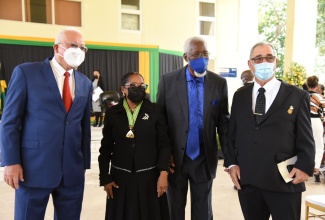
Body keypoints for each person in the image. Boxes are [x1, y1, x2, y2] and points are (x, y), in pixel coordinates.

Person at [0, 28, 92, 220]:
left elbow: (83, 127)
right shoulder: (27, 73)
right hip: (33, 169)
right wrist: (10, 162)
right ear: (56, 47)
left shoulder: (84, 83)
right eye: (73, 45)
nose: (78, 51)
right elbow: (10, 122)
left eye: (83, 48)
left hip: (72, 172)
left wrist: (83, 165)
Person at [225, 42, 315, 220]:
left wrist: (304, 166)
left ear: (276, 61)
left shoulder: (297, 96)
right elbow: (232, 134)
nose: (264, 62)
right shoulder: (240, 96)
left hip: (284, 180)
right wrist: (232, 163)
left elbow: (306, 137)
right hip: (249, 181)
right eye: (258, 58)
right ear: (250, 64)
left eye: (269, 58)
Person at [156, 36, 229, 220]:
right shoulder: (168, 81)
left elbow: (223, 123)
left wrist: (231, 158)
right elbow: (161, 122)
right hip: (176, 160)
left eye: (205, 54)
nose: (201, 58)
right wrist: (164, 158)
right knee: (175, 210)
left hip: (204, 159)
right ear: (186, 57)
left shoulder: (219, 83)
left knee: (203, 212)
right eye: (196, 54)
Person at [98, 72, 171, 220]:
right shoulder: (113, 113)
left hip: (150, 178)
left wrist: (164, 172)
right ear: (123, 89)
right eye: (133, 85)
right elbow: (106, 147)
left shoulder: (155, 110)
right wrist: (105, 177)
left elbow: (164, 144)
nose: (138, 88)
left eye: (141, 86)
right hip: (120, 179)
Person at [306, 76, 325, 182]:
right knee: (318, 144)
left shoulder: (302, 95)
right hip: (316, 121)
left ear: (307, 84)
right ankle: (316, 167)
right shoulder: (321, 97)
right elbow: (324, 111)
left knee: (303, 143)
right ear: (317, 85)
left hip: (304, 121)